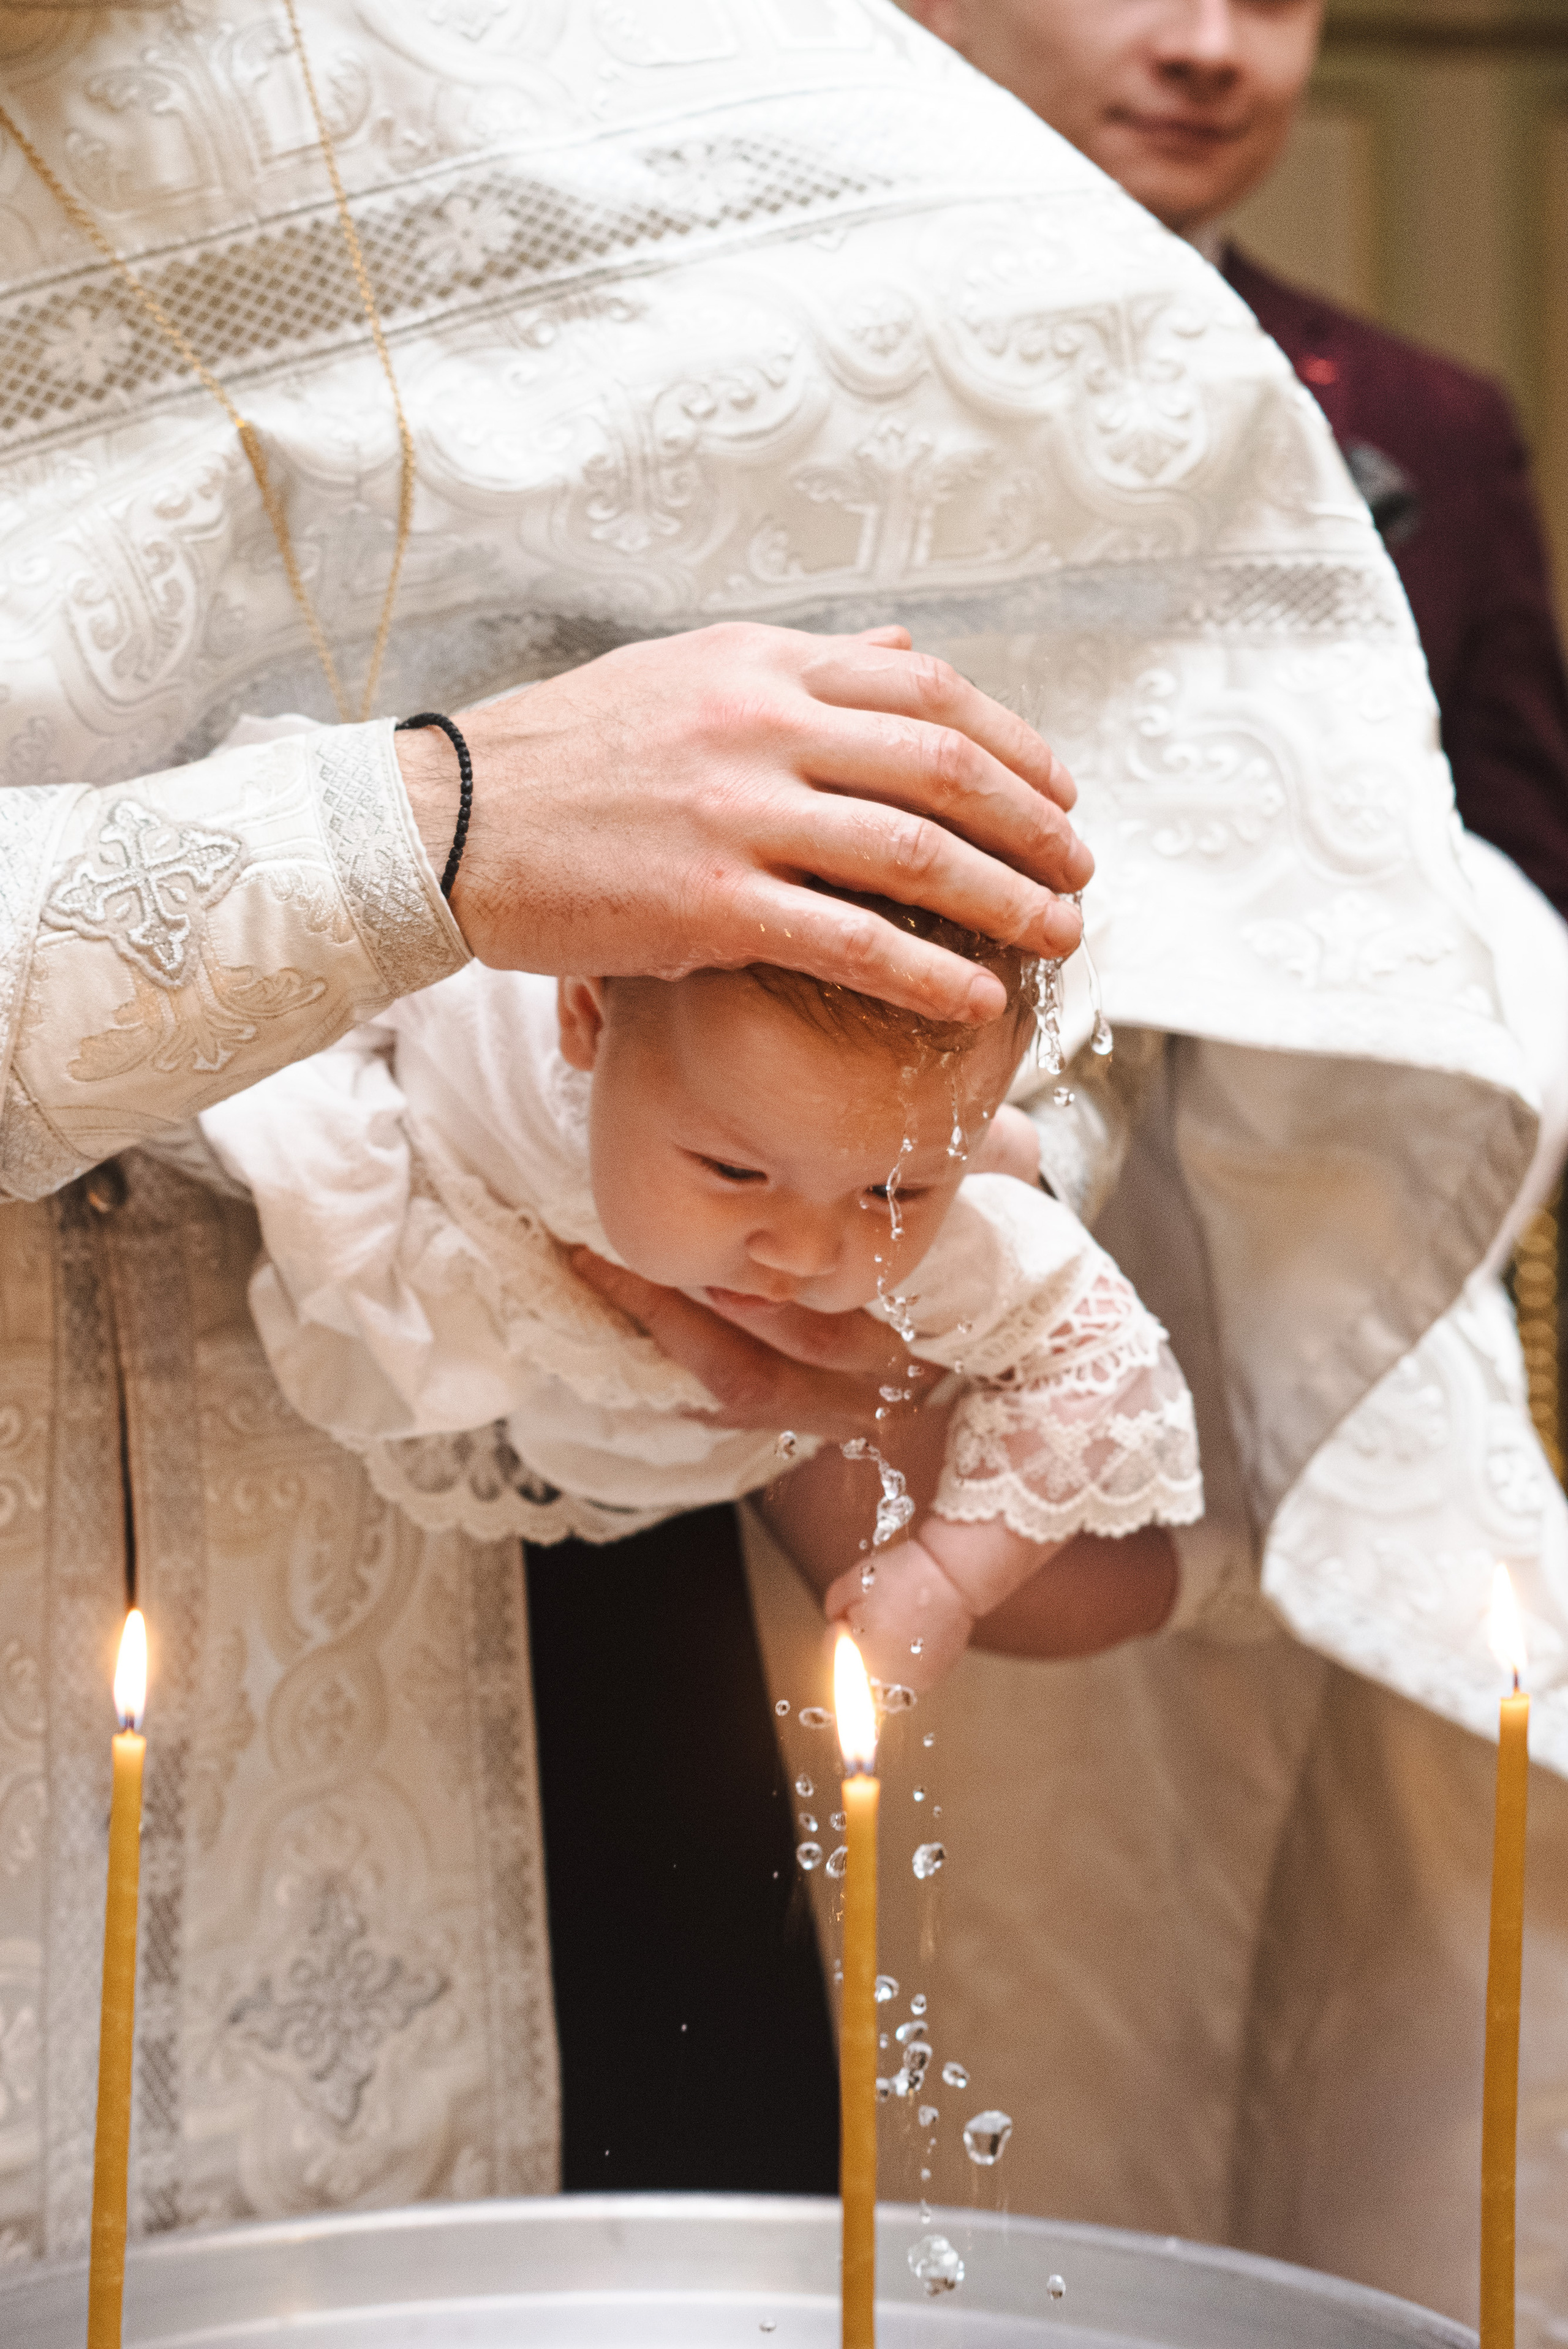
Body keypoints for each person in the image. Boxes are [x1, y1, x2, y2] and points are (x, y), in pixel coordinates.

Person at [0, 0, 1537, 2298]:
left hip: (577, 1651)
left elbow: (1079, 872)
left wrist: (861, 1191)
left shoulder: (674, 66)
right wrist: (429, 830)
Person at [883, 1, 1568, 2332]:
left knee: (1361, 1932)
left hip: (1323, 1266)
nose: (1207, 45)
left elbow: (1514, 845)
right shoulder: (801, 358)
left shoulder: (1424, 423)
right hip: (914, 1259)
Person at [190, 904, 1200, 1682]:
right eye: (734, 1171)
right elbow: (309, 935)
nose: (803, 1252)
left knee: (1011, 1591)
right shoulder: (493, 991)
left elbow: (1096, 1350)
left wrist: (950, 1573)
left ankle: (1214, 1579)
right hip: (508, 1285)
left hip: (771, 1410)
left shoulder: (929, 1221)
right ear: (587, 1017)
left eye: (891, 1191)